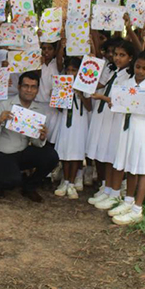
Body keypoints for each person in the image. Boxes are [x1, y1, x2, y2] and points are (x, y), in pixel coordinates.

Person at [0, 71, 59, 202]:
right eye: (26, 86)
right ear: (19, 87)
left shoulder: (38, 110)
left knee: (51, 156)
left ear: (37, 90)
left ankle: (29, 187)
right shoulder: (4, 105)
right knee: (12, 180)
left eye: (33, 87)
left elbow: (36, 143)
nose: (29, 90)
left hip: (21, 152)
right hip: (1, 153)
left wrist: (41, 137)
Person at [107, 51, 145, 225]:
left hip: (142, 129)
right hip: (126, 128)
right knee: (130, 165)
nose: (140, 71)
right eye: (138, 67)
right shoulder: (126, 84)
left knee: (141, 168)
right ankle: (128, 201)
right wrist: (113, 103)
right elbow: (118, 103)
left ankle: (137, 208)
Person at [87, 40, 136, 207]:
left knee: (116, 156)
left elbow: (122, 100)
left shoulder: (130, 76)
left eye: (122, 55)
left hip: (118, 120)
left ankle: (115, 193)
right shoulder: (113, 71)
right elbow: (100, 84)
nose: (117, 58)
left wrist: (101, 97)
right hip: (107, 117)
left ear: (130, 58)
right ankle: (107, 189)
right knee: (108, 155)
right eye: (116, 54)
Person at [54, 57, 92, 199]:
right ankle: (65, 180)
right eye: (68, 70)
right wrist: (59, 96)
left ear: (79, 71)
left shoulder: (85, 85)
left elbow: (89, 107)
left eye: (74, 70)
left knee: (76, 151)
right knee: (65, 150)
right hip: (65, 119)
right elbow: (58, 108)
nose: (70, 72)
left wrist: (80, 94)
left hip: (79, 121)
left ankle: (71, 183)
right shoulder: (62, 84)